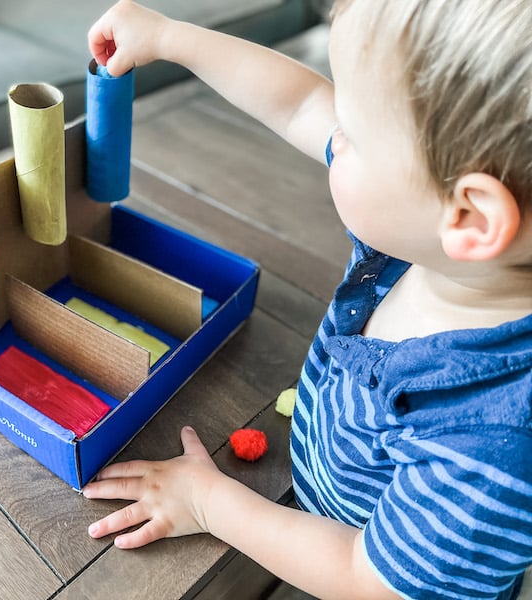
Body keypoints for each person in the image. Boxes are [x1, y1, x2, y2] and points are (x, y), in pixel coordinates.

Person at [82, 1, 532, 598]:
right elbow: (300, 101)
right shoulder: (424, 232)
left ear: (472, 215)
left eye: (352, 132)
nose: (331, 133)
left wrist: (209, 501)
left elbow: (364, 578)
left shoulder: (495, 439)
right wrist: (171, 38)